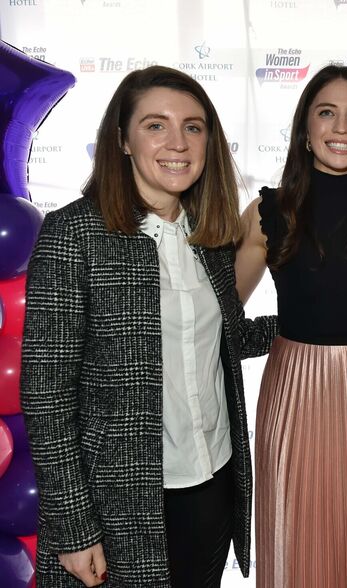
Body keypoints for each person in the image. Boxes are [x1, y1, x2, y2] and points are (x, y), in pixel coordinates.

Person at [20, 66, 277, 588]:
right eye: (156, 125)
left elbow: (228, 337)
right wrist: (72, 529)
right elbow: (46, 394)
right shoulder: (74, 234)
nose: (177, 142)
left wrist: (318, 322)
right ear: (123, 140)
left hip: (213, 488)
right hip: (119, 510)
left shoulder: (210, 237)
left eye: (194, 126)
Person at [235, 64, 347, 587]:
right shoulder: (267, 212)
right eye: (327, 113)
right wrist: (286, 332)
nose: (341, 127)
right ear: (305, 130)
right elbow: (220, 316)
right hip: (296, 395)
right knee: (301, 545)